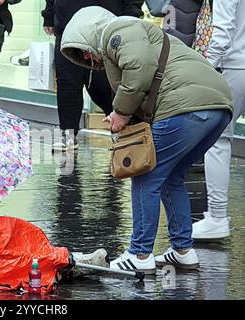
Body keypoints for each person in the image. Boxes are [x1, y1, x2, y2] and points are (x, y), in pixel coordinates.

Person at [60, 6, 233, 274]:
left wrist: (120, 112)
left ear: (88, 35)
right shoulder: (139, 32)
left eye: (84, 52)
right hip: (217, 108)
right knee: (171, 177)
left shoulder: (117, 31)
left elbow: (139, 68)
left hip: (185, 107)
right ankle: (182, 250)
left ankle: (139, 254)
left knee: (145, 176)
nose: (87, 58)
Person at [41, 0, 145, 152]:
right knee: (67, 85)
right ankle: (68, 133)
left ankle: (119, 132)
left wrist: (131, 16)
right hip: (68, 26)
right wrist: (49, 15)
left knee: (107, 85)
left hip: (106, 26)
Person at [192, 0, 245, 240]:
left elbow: (222, 31)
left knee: (218, 140)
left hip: (235, 64)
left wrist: (203, 68)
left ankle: (217, 217)